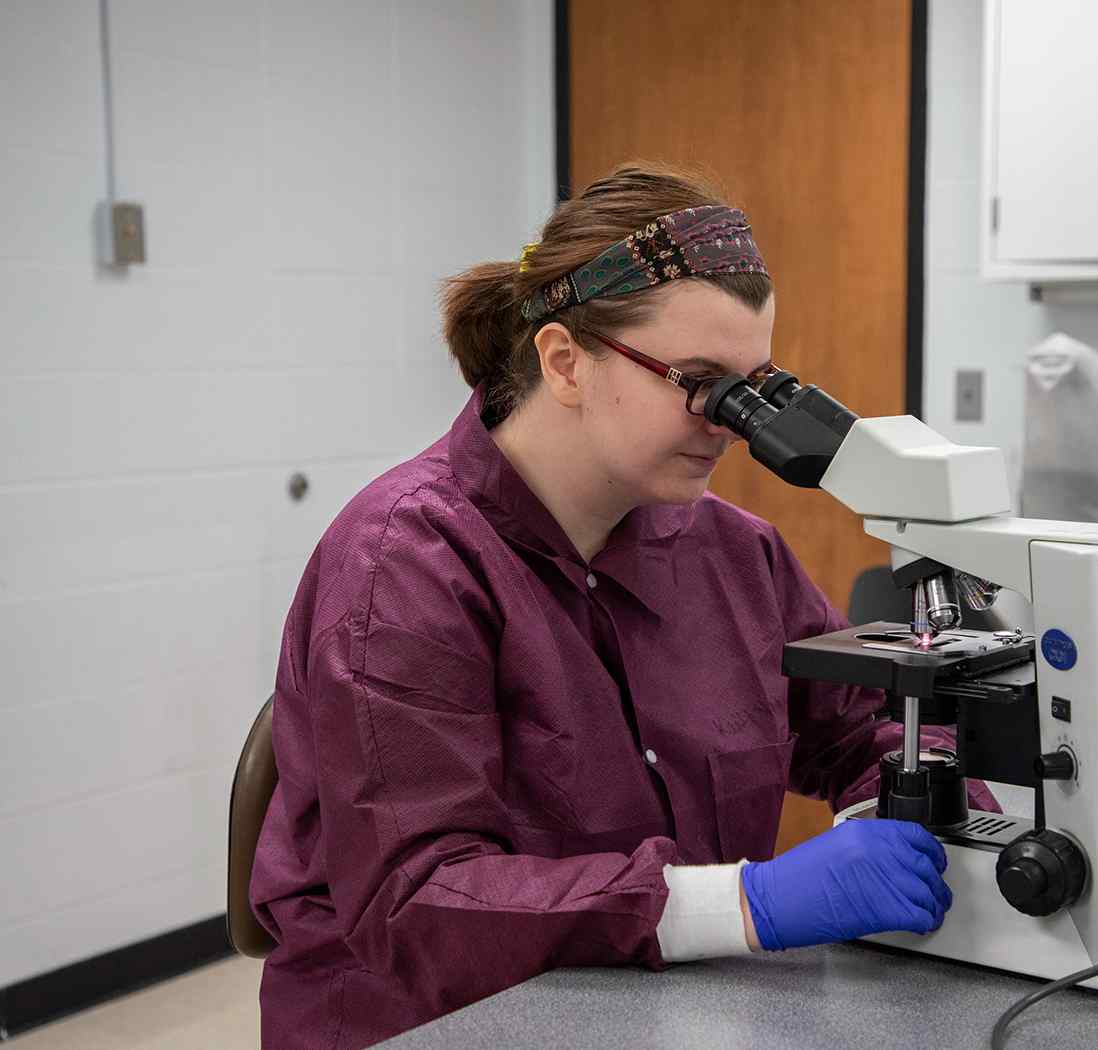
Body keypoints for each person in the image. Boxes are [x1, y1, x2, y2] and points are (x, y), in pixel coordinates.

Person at [250, 163, 995, 1049]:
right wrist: (744, 903)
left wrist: (912, 811)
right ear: (564, 361)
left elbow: (862, 730)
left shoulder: (734, 552)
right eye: (700, 381)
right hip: (434, 1021)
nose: (731, 423)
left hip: (677, 1009)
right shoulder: (402, 566)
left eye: (756, 387)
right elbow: (420, 904)